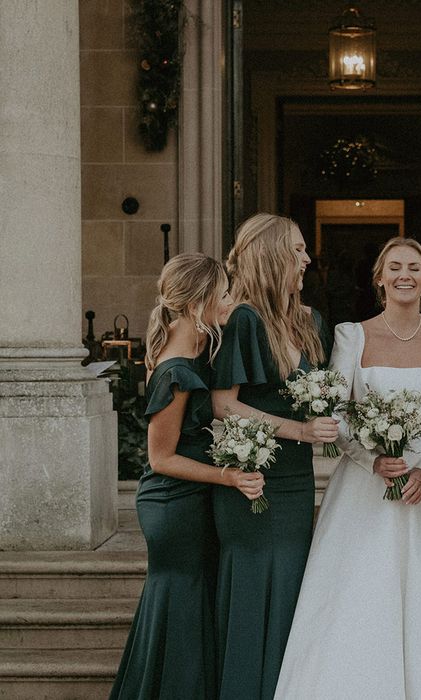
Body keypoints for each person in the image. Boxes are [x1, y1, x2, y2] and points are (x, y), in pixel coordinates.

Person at [274, 237, 421, 700]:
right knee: (360, 596)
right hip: (364, 486)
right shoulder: (350, 335)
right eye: (394, 267)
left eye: (415, 268)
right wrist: (372, 458)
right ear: (378, 278)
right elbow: (336, 412)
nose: (405, 275)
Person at [110, 254, 263, 700]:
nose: (229, 302)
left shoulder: (196, 348)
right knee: (179, 606)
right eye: (223, 294)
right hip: (172, 501)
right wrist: (229, 476)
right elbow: (161, 459)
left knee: (190, 606)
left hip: (192, 496)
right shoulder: (176, 371)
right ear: (199, 302)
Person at [209, 214, 337, 700]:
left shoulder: (309, 322)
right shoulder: (243, 319)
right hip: (255, 482)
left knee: (289, 594)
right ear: (271, 256)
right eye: (298, 250)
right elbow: (224, 404)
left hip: (295, 480)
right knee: (256, 594)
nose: (307, 259)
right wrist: (301, 430)